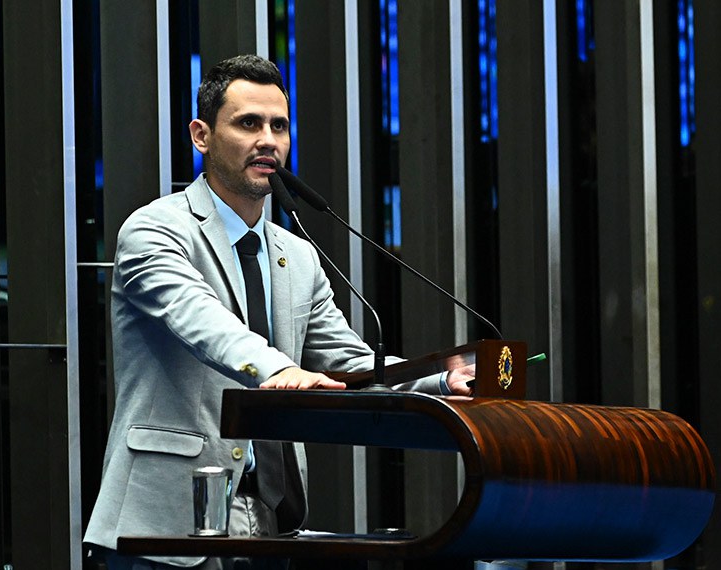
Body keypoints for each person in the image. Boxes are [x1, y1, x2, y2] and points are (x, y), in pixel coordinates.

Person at [84, 54, 472, 570]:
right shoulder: (153, 230)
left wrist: (440, 384)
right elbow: (203, 323)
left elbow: (350, 360)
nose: (269, 139)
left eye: (279, 125)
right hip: (165, 523)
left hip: (271, 522)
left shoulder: (297, 253)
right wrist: (282, 370)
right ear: (201, 135)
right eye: (249, 123)